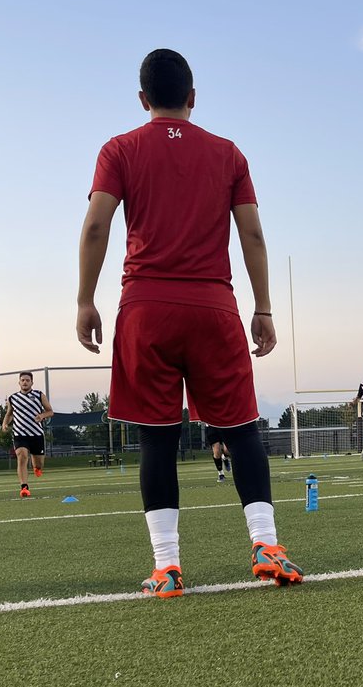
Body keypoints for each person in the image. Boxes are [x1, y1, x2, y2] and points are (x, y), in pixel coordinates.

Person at [76, 48, 301, 597]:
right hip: (213, 309)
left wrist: (85, 299)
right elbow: (252, 235)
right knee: (242, 429)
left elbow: (97, 227)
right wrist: (264, 306)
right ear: (193, 98)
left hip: (146, 308)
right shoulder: (228, 154)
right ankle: (267, 544)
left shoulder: (119, 149)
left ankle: (168, 567)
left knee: (157, 439)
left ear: (143, 99)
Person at [0, 371, 54, 498]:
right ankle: (24, 487)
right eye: (22, 380)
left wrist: (42, 415)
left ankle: (37, 468)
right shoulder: (13, 398)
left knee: (38, 463)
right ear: (19, 382)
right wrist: (5, 424)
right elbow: (9, 414)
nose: (25, 382)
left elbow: (50, 411)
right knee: (22, 456)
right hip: (20, 434)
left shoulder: (39, 395)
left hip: (36, 434)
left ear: (32, 382)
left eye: (27, 380)